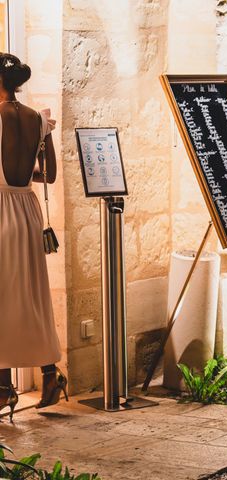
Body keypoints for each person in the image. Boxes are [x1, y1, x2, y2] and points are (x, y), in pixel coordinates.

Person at [0, 53, 67, 422]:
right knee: (32, 295)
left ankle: (2, 387)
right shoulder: (37, 119)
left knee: (3, 298)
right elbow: (50, 174)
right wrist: (23, 173)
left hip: (0, 210)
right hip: (26, 210)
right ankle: (48, 375)